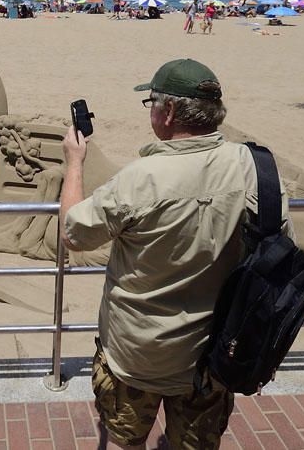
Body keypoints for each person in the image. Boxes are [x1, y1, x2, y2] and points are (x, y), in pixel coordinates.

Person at [59, 59, 291, 449]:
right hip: (217, 352)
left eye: (151, 101)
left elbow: (74, 233)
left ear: (167, 111)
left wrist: (74, 165)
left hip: (138, 355)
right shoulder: (257, 168)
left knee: (124, 440)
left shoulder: (140, 178)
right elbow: (281, 244)